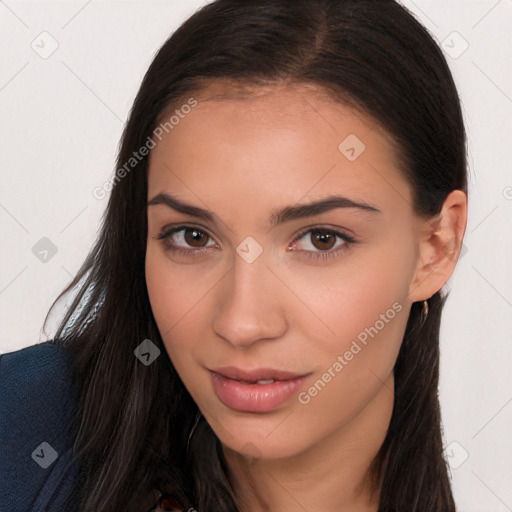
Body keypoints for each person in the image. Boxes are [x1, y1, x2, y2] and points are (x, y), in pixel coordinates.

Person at [0, 0, 468, 511]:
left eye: (320, 240)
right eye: (193, 237)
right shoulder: (21, 429)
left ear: (435, 249)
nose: (242, 323)